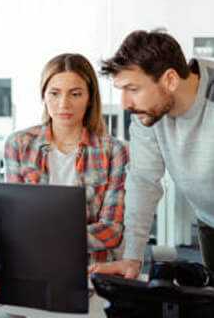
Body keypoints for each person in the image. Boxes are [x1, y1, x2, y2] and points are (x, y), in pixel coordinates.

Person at [0, 53, 129, 265]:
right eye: (54, 93)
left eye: (75, 94)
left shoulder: (113, 151)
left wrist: (41, 233)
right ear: (43, 96)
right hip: (31, 262)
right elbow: (15, 221)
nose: (64, 104)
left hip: (89, 268)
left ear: (90, 97)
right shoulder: (19, 144)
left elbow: (111, 230)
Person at [91, 29, 214, 278]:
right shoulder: (148, 113)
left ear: (169, 80)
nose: (125, 103)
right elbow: (143, 181)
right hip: (209, 219)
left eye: (133, 89)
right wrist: (132, 258)